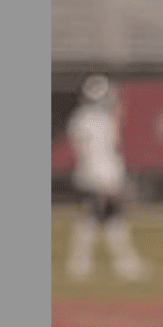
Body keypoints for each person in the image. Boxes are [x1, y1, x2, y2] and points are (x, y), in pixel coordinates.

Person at [64, 73, 148, 282]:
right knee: (98, 217)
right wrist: (109, 180)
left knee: (108, 219)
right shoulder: (97, 120)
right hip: (100, 175)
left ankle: (120, 262)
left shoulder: (82, 118)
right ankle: (84, 263)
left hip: (93, 173)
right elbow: (102, 151)